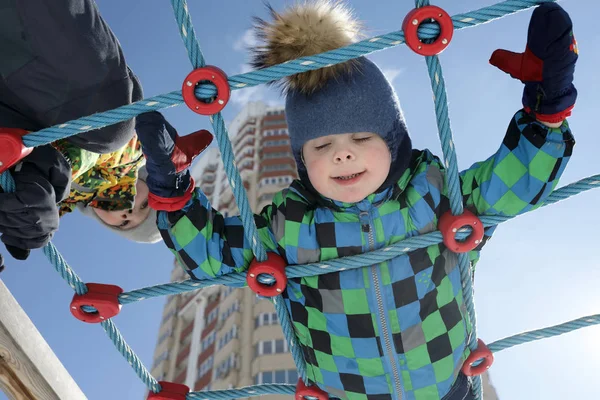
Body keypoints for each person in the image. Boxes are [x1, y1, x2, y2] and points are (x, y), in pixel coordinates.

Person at [135, 2, 577, 399]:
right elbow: (213, 253)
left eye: (361, 138)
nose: (342, 154)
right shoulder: (289, 227)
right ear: (301, 162)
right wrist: (172, 189)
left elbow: (514, 183)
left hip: (446, 391)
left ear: (394, 142)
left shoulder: (438, 196)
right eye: (321, 147)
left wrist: (547, 105)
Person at [0, 0, 165, 262]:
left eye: (124, 223)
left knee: (26, 207)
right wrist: (50, 174)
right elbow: (95, 153)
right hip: (38, 76)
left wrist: (28, 201)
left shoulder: (59, 203)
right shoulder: (127, 160)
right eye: (144, 205)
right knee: (111, 128)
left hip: (12, 116)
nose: (129, 212)